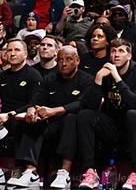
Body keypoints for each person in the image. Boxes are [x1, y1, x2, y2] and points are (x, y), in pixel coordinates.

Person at [7, 46, 93, 188]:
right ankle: (30, 172)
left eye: (68, 59)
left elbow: (82, 103)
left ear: (77, 60)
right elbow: (37, 99)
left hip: (75, 129)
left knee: (71, 118)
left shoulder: (86, 80)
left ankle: (64, 173)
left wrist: (55, 111)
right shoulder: (50, 78)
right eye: (60, 60)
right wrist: (32, 108)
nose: (64, 63)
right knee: (33, 119)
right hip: (51, 125)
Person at [77, 38, 136, 189]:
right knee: (85, 115)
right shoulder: (105, 72)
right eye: (113, 51)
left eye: (121, 51)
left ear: (129, 56)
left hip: (135, 126)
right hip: (112, 124)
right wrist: (98, 79)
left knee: (132, 114)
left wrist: (117, 78)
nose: (116, 55)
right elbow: (90, 105)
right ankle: (91, 171)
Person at [0, 39, 42, 184]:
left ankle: (28, 170)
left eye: (17, 50)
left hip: (21, 119)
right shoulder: (1, 76)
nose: (12, 53)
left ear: (25, 54)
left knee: (28, 121)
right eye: (9, 50)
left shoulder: (33, 75)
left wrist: (10, 114)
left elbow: (33, 103)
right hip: (3, 124)